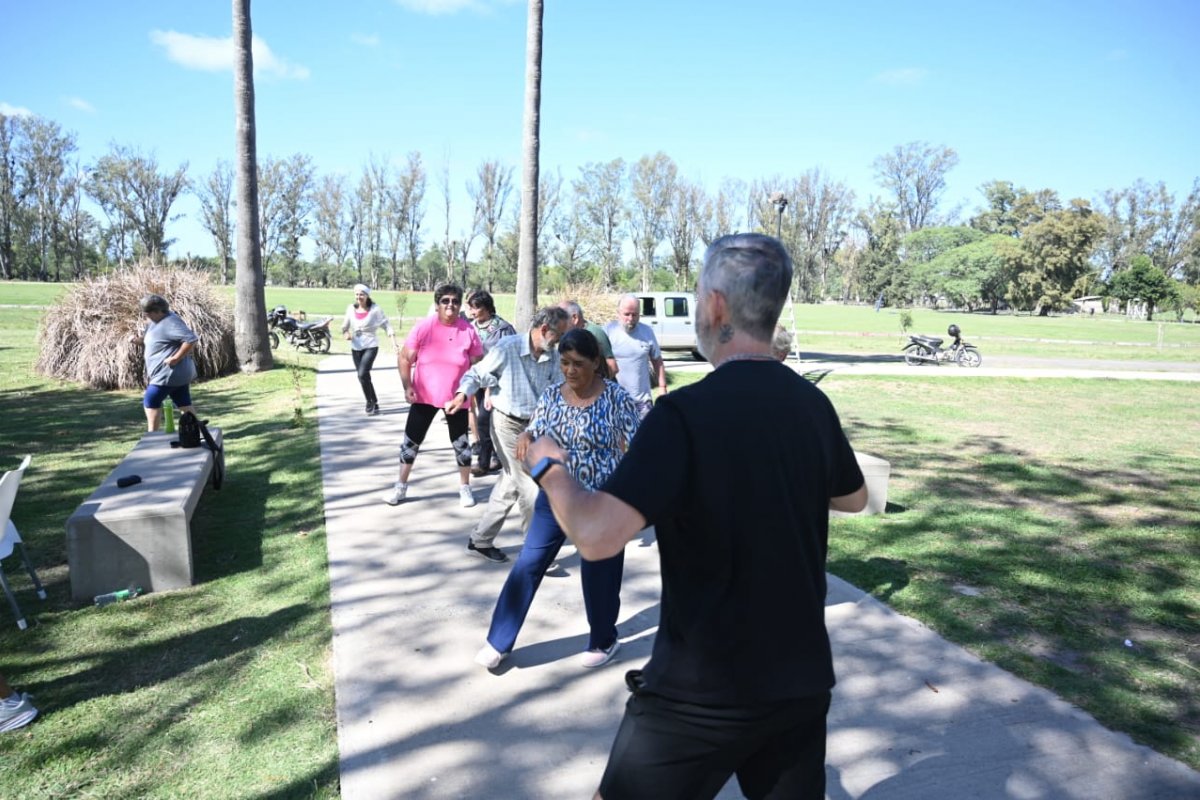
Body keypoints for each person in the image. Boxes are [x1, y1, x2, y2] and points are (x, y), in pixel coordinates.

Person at [524, 233, 867, 800]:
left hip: (699, 689)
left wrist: (548, 466)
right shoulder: (812, 404)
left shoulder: (683, 414)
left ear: (715, 305)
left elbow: (596, 536)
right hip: (799, 680)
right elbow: (853, 498)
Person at [475, 328, 640, 670]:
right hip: (556, 496)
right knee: (528, 563)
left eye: (578, 363)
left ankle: (604, 640)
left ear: (596, 362)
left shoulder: (616, 398)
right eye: (564, 362)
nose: (570, 370)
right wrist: (526, 434)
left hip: (601, 503)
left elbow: (638, 446)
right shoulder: (552, 394)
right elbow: (536, 426)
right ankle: (498, 641)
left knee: (599, 575)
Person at [445, 306, 570, 562]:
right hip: (507, 424)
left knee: (510, 484)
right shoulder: (508, 347)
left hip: (535, 429)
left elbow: (558, 394)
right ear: (544, 329)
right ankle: (535, 552)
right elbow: (476, 374)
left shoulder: (554, 356)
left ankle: (480, 540)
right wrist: (461, 395)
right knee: (531, 486)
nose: (560, 340)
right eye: (559, 334)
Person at [383, 284, 483, 509]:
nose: (450, 305)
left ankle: (465, 487)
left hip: (456, 399)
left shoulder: (468, 331)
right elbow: (405, 358)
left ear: (460, 305)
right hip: (424, 396)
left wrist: (470, 392)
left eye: (455, 301)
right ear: (437, 304)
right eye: (445, 300)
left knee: (461, 444)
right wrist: (407, 386)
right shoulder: (424, 327)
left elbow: (478, 366)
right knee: (410, 442)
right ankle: (400, 486)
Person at [466, 289, 517, 476]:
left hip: (498, 382)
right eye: (470, 307)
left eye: (476, 307)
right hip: (478, 379)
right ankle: (495, 457)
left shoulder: (503, 328)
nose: (472, 311)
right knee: (486, 419)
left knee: (484, 420)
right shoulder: (470, 328)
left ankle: (484, 462)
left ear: (486, 307)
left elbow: (512, 354)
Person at [138, 293, 198, 433]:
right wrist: (137, 341)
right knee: (183, 403)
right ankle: (197, 431)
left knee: (151, 400)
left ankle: (152, 435)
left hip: (169, 372)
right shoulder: (155, 322)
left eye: (148, 313)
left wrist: (176, 358)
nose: (146, 316)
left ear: (158, 311)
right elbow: (155, 341)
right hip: (174, 374)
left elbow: (191, 339)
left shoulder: (171, 322)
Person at [605, 295, 667, 419]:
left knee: (646, 432)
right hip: (614, 402)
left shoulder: (647, 332)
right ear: (618, 313)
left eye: (635, 314)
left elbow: (657, 360)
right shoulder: (607, 331)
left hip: (642, 403)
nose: (631, 318)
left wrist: (662, 387)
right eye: (626, 314)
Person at [342, 284, 397, 415]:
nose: (359, 297)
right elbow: (345, 327)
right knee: (364, 376)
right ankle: (375, 402)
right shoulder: (350, 309)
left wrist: (394, 343)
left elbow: (387, 326)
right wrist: (346, 334)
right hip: (356, 347)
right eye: (356, 294)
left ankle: (369, 402)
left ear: (367, 295)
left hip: (371, 346)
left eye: (361, 294)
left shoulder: (375, 310)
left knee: (362, 374)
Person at [560, 300, 618, 378]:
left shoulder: (595, 333)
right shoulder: (564, 336)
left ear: (574, 318)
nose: (558, 323)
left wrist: (595, 384)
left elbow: (612, 367)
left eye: (561, 319)